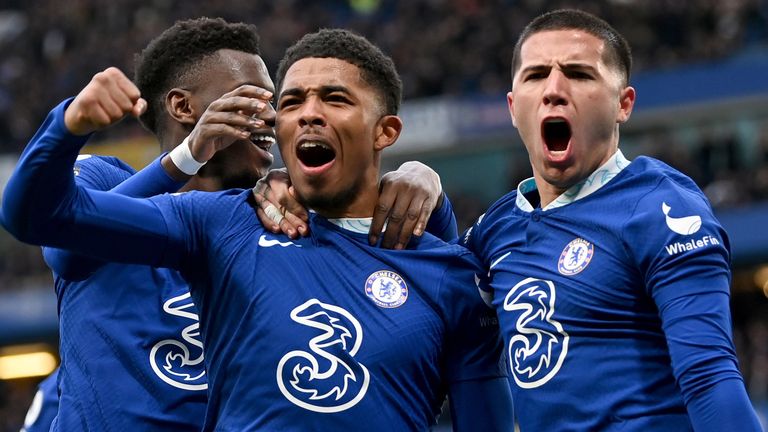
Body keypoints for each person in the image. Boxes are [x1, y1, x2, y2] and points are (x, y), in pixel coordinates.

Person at [2, 27, 512, 431]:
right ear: (185, 109)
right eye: (263, 101)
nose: (272, 119)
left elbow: (421, 273)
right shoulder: (115, 184)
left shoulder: (278, 220)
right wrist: (184, 158)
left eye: (276, 104)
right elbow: (62, 244)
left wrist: (427, 189)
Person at [457, 9, 763, 431]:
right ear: (513, 107)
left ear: (624, 104)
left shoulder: (662, 209)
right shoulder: (496, 228)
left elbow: (709, 377)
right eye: (535, 75)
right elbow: (432, 294)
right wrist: (422, 185)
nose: (554, 90)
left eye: (579, 74)